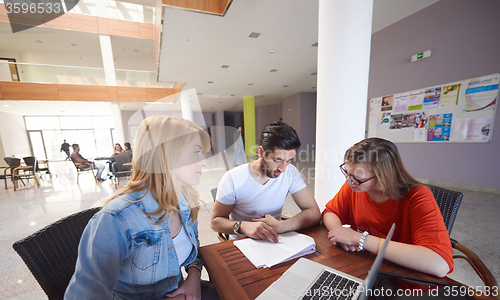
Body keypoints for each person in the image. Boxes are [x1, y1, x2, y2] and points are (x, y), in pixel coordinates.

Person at [65, 116, 219, 300]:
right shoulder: (116, 218)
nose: (204, 161)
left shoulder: (185, 201)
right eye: (195, 152)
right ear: (165, 155)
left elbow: (193, 250)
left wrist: (193, 277)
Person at [322, 138, 453, 278]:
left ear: (382, 176)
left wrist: (361, 239)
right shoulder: (354, 188)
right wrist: (339, 231)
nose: (348, 181)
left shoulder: (418, 196)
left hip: (405, 278)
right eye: (346, 172)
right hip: (366, 268)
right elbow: (330, 212)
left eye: (357, 177)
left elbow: (440, 263)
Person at [211, 121, 321, 242]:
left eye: (289, 160)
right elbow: (215, 222)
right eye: (277, 160)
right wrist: (242, 226)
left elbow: (314, 212)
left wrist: (281, 226)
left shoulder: (290, 172)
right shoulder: (233, 178)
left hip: (276, 240)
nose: (283, 168)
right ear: (261, 152)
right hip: (242, 243)